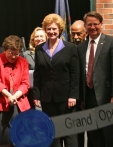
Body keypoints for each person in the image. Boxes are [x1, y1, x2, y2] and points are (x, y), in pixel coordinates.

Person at [77, 11, 113, 147]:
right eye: (89, 24)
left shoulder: (112, 43)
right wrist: (82, 99)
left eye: (96, 24)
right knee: (93, 137)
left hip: (108, 98)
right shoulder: (80, 48)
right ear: (85, 26)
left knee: (111, 136)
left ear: (101, 25)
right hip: (89, 99)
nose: (93, 27)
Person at [33, 13, 79, 147]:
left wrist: (73, 95)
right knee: (52, 132)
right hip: (47, 98)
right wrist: (37, 94)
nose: (51, 31)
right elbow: (37, 74)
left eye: (54, 29)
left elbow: (75, 74)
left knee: (69, 132)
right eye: (48, 29)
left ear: (60, 30)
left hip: (66, 99)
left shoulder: (70, 48)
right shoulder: (39, 49)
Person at [0, 35, 31, 147]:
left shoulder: (23, 62)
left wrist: (15, 96)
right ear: (5, 49)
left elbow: (25, 84)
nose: (14, 56)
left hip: (18, 104)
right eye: (11, 53)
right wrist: (8, 96)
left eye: (17, 53)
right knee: (0, 141)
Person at [70, 20, 87, 147]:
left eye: (79, 34)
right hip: (74, 98)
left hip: (90, 96)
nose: (75, 37)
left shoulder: (90, 47)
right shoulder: (69, 49)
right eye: (73, 34)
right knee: (76, 133)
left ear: (85, 33)